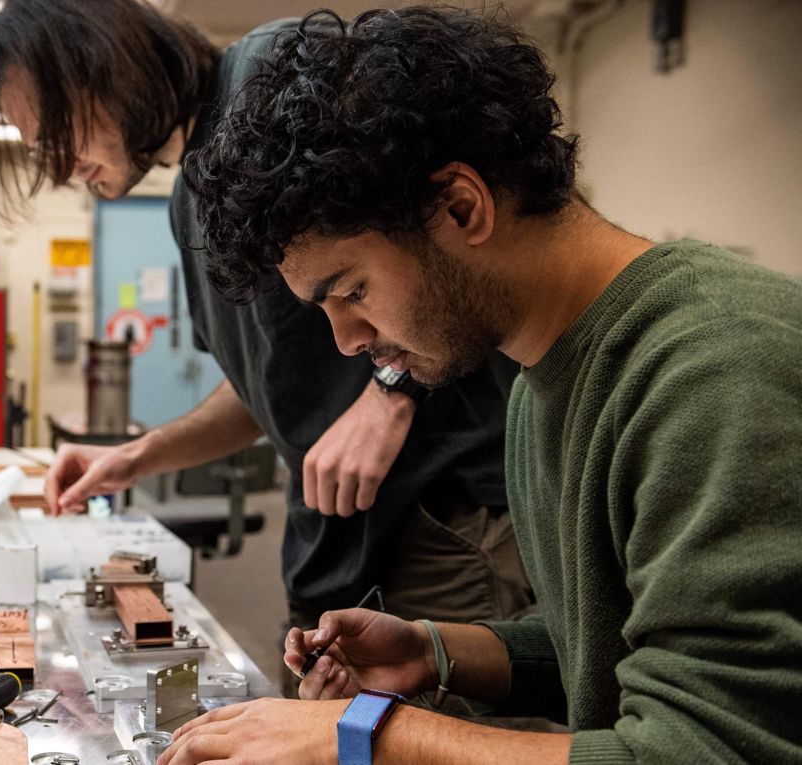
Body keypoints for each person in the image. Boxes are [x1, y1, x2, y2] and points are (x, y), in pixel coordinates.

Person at [158, 6, 802, 764]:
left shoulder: (714, 369)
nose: (348, 341)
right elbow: (603, 642)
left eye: (353, 290)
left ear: (462, 206)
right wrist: (437, 649)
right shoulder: (536, 383)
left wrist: (372, 734)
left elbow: (708, 745)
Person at [0, 0, 531, 692]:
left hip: (444, 532)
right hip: (339, 556)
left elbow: (432, 231)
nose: (59, 168)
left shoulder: (271, 78)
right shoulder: (189, 197)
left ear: (102, 62)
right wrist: (136, 456)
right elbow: (262, 384)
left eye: (59, 132)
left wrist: (390, 391)